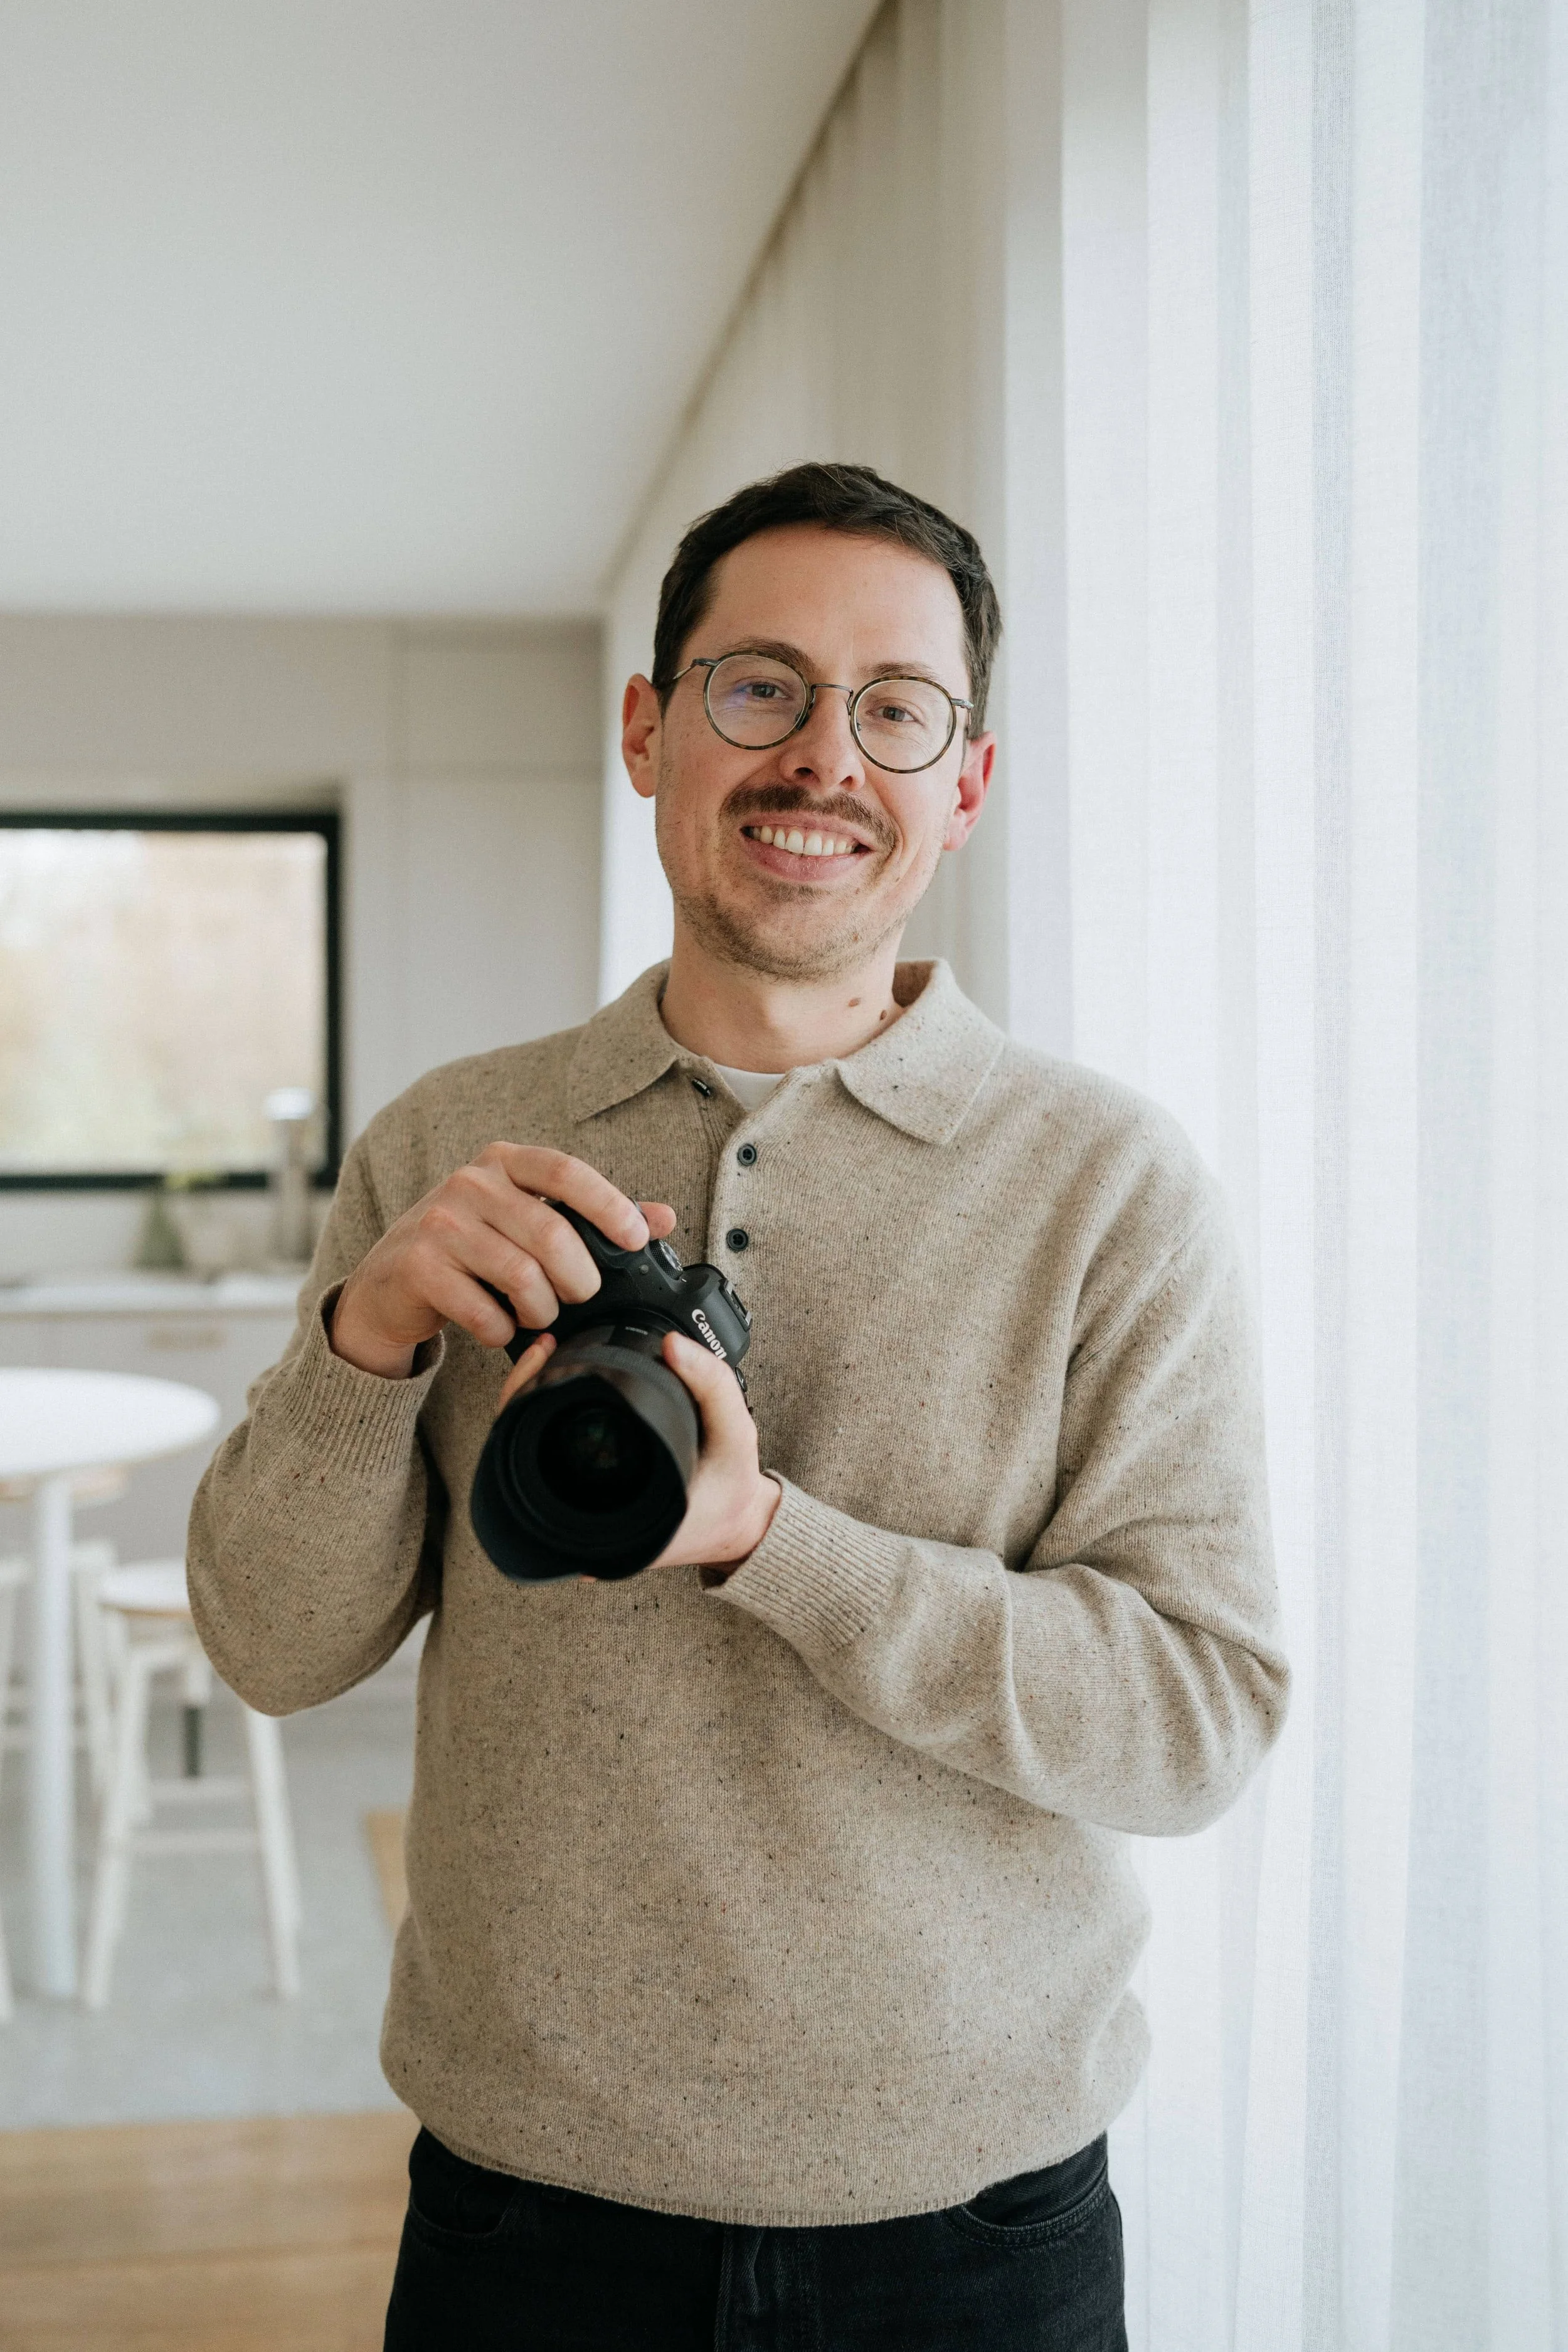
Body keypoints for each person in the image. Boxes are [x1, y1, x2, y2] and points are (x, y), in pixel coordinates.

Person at [188, 461, 1288, 2351]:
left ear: (966, 782)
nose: (824, 758)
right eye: (759, 686)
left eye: (896, 708)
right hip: (524, 2207)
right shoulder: (451, 1147)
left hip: (969, 2231)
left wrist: (772, 1541)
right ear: (648, 729)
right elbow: (271, 1650)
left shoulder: (1108, 1187)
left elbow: (1194, 1719)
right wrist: (363, 1349)